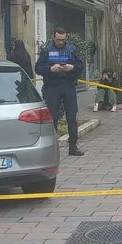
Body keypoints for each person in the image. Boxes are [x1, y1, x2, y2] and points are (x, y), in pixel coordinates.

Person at [35, 28, 86, 157]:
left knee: (71, 117)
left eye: (63, 40)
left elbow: (81, 65)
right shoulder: (46, 51)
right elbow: (38, 68)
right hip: (53, 86)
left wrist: (72, 67)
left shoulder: (71, 49)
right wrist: (50, 69)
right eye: (58, 40)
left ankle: (73, 147)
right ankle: (52, 148)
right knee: (53, 118)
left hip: (68, 85)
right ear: (53, 38)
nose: (61, 42)